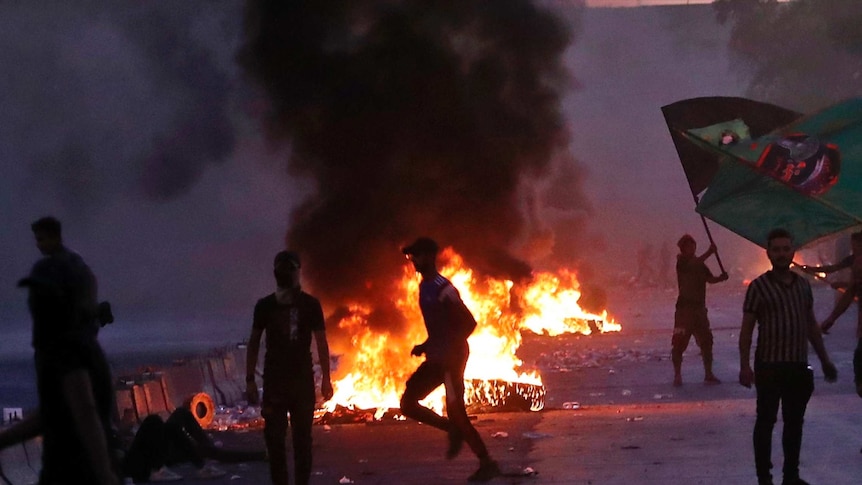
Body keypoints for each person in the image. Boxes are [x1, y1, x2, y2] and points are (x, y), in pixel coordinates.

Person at [17, 216, 120, 484]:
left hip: (70, 472)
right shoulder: (87, 347)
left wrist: (104, 475)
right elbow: (57, 413)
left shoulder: (63, 349)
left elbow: (83, 411)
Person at [738, 228, 838, 485]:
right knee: (766, 423)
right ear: (769, 253)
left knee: (794, 424)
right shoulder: (758, 288)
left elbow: (811, 325)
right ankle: (764, 478)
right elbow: (747, 329)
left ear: (792, 252)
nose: (781, 254)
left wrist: (825, 360)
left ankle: (791, 477)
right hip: (769, 367)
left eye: (786, 249)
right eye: (776, 250)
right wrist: (745, 366)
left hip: (797, 366)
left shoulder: (803, 286)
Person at [399, 237, 501, 483]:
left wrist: (449, 350)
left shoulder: (443, 287)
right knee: (408, 403)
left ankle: (487, 463)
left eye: (417, 255)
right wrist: (426, 345)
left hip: (452, 359)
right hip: (438, 356)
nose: (413, 260)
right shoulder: (424, 287)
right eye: (410, 256)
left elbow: (469, 323)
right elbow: (440, 327)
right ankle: (452, 430)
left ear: (429, 256)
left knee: (457, 412)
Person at [245, 250, 333, 485]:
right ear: (276, 273)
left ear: (297, 272)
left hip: (302, 382)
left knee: (302, 441)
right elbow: (253, 342)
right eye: (282, 269)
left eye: (290, 268)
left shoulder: (311, 305)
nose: (286, 273)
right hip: (275, 382)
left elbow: (321, 342)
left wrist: (326, 378)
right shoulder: (264, 306)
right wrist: (250, 379)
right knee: (275, 441)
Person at [671, 234, 728, 387]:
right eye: (689, 246)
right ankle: (677, 375)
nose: (692, 248)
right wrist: (709, 252)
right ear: (683, 249)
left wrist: (721, 278)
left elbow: (709, 279)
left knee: (706, 341)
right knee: (679, 343)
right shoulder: (682, 262)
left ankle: (708, 374)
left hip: (699, 309)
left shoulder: (699, 264)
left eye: (693, 245)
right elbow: (692, 265)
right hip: (684, 310)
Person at [799, 231, 862, 334]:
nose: (854, 249)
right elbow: (833, 268)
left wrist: (842, 284)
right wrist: (812, 269)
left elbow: (854, 286)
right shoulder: (853, 259)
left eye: (857, 246)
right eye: (853, 246)